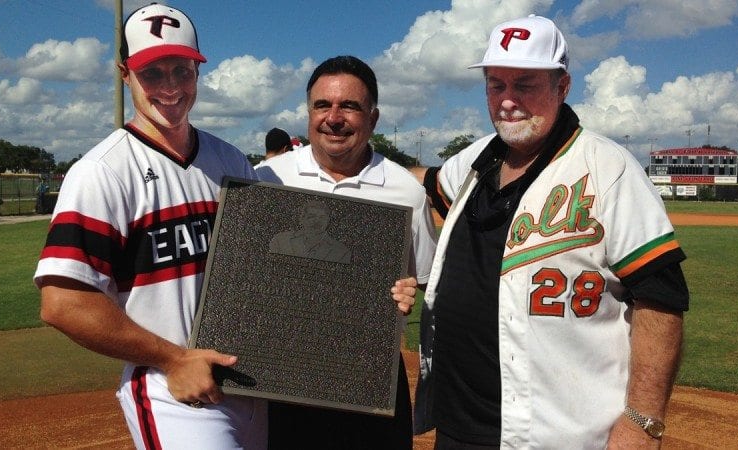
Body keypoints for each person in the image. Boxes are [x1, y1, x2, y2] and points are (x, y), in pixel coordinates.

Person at [413, 15, 689, 449]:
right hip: (459, 428)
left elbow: (662, 300)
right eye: (496, 85)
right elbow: (420, 184)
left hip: (561, 435)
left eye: (524, 84)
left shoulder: (608, 168)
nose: (508, 100)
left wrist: (643, 421)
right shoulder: (472, 161)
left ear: (562, 87)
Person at [34, 4, 267, 448]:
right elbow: (61, 303)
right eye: (152, 73)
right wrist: (174, 359)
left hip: (250, 380)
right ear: (125, 74)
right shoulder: (103, 170)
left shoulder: (231, 161)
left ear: (198, 71)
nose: (171, 88)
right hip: (171, 387)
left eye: (182, 70)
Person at [255, 55, 437, 450]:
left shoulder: (405, 189)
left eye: (349, 106)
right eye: (323, 105)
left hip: (368, 388)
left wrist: (405, 294)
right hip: (280, 385)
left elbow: (423, 281)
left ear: (373, 117)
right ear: (308, 113)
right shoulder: (267, 180)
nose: (334, 118)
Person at [268, 200, 352, 264]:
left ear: (328, 221)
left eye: (322, 217)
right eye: (311, 216)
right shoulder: (281, 240)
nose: (317, 221)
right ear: (302, 219)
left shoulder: (342, 251)